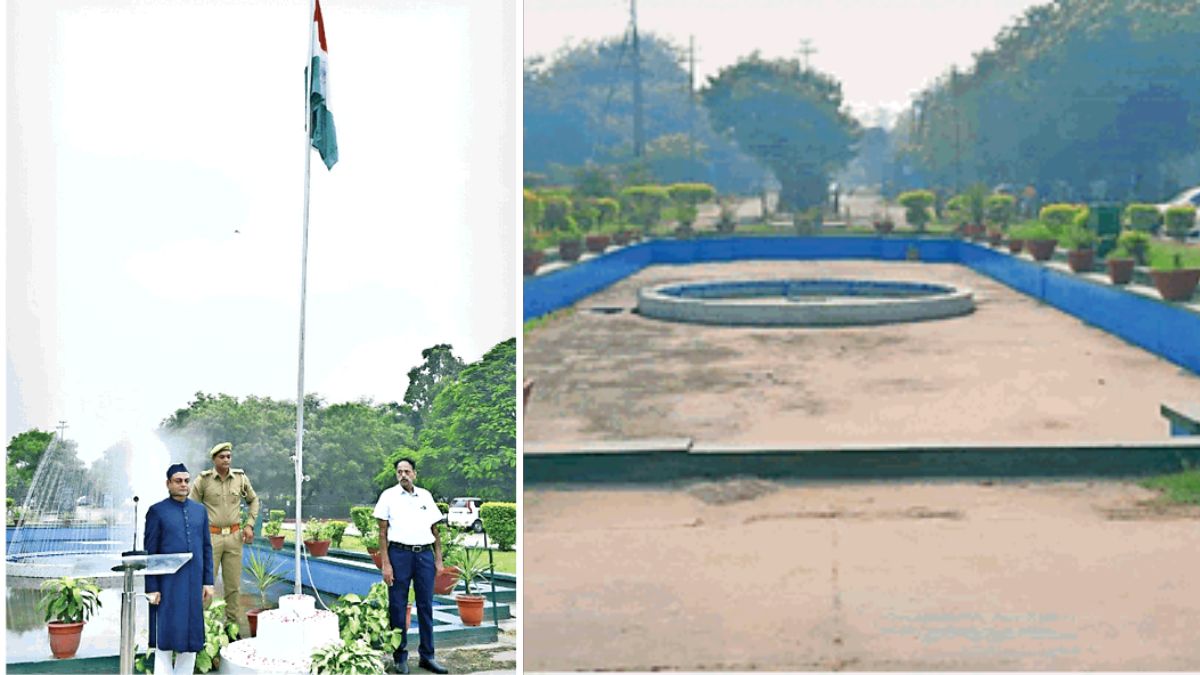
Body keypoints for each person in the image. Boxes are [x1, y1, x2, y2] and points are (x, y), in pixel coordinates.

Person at [374, 457, 449, 674]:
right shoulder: (388, 496)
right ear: (396, 475)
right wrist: (386, 565)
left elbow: (435, 531)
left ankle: (428, 656)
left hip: (424, 555)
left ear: (414, 473)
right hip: (399, 555)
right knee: (397, 606)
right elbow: (382, 533)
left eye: (407, 471)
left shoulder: (425, 496)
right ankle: (400, 657)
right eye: (399, 472)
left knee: (425, 605)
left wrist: (438, 559)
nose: (403, 475)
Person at [145, 463, 214, 675]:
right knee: (164, 636)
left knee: (191, 637)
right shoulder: (157, 511)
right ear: (168, 483)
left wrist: (208, 582)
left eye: (186, 480)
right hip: (167, 586)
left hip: (193, 584)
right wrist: (151, 587)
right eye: (178, 481)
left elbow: (206, 548)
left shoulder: (200, 511)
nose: (183, 484)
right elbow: (150, 553)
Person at [190, 441, 259, 632]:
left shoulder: (240, 478)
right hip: (211, 538)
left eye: (229, 456)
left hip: (235, 537)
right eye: (222, 457)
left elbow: (254, 501)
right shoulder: (203, 480)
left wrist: (250, 525)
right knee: (206, 584)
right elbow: (190, 508)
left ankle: (232, 630)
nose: (226, 460)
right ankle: (202, 628)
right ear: (214, 459)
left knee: (233, 587)